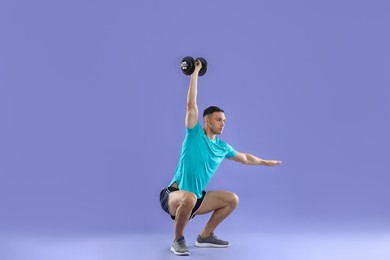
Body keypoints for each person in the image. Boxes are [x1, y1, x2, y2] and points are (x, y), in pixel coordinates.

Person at [159, 60, 282, 256]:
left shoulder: (222, 147)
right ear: (207, 121)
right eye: (219, 120)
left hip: (197, 199)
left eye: (224, 121)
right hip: (174, 196)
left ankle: (205, 236)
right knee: (189, 196)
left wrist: (264, 162)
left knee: (232, 199)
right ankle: (178, 240)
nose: (223, 124)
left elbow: (245, 158)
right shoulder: (194, 135)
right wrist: (195, 73)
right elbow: (191, 105)